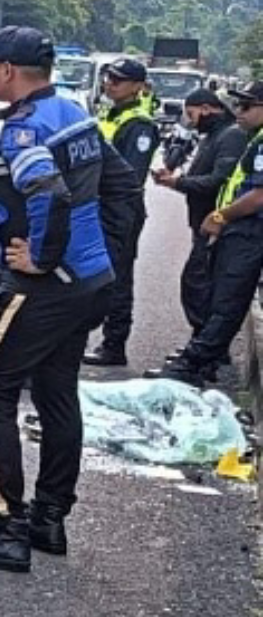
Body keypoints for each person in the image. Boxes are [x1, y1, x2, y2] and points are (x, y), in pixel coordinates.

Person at [0, 26, 114, 573]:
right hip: (89, 280)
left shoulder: (25, 131)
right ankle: (49, 518)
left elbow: (50, 196)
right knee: (58, 395)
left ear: (9, 71)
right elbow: (121, 185)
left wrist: (41, 257)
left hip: (43, 287)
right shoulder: (73, 114)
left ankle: (6, 526)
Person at [155, 81, 263, 388]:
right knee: (216, 294)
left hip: (249, 229)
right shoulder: (250, 137)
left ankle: (197, 362)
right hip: (240, 228)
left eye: (246, 106)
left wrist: (220, 216)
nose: (237, 112)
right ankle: (202, 358)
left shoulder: (246, 139)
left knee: (227, 299)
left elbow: (258, 195)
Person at [83, 58, 159, 366]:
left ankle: (114, 344)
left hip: (120, 209)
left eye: (119, 80)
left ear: (138, 87)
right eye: (109, 78)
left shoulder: (139, 124)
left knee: (116, 276)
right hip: (98, 204)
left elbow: (131, 176)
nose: (110, 84)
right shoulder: (111, 114)